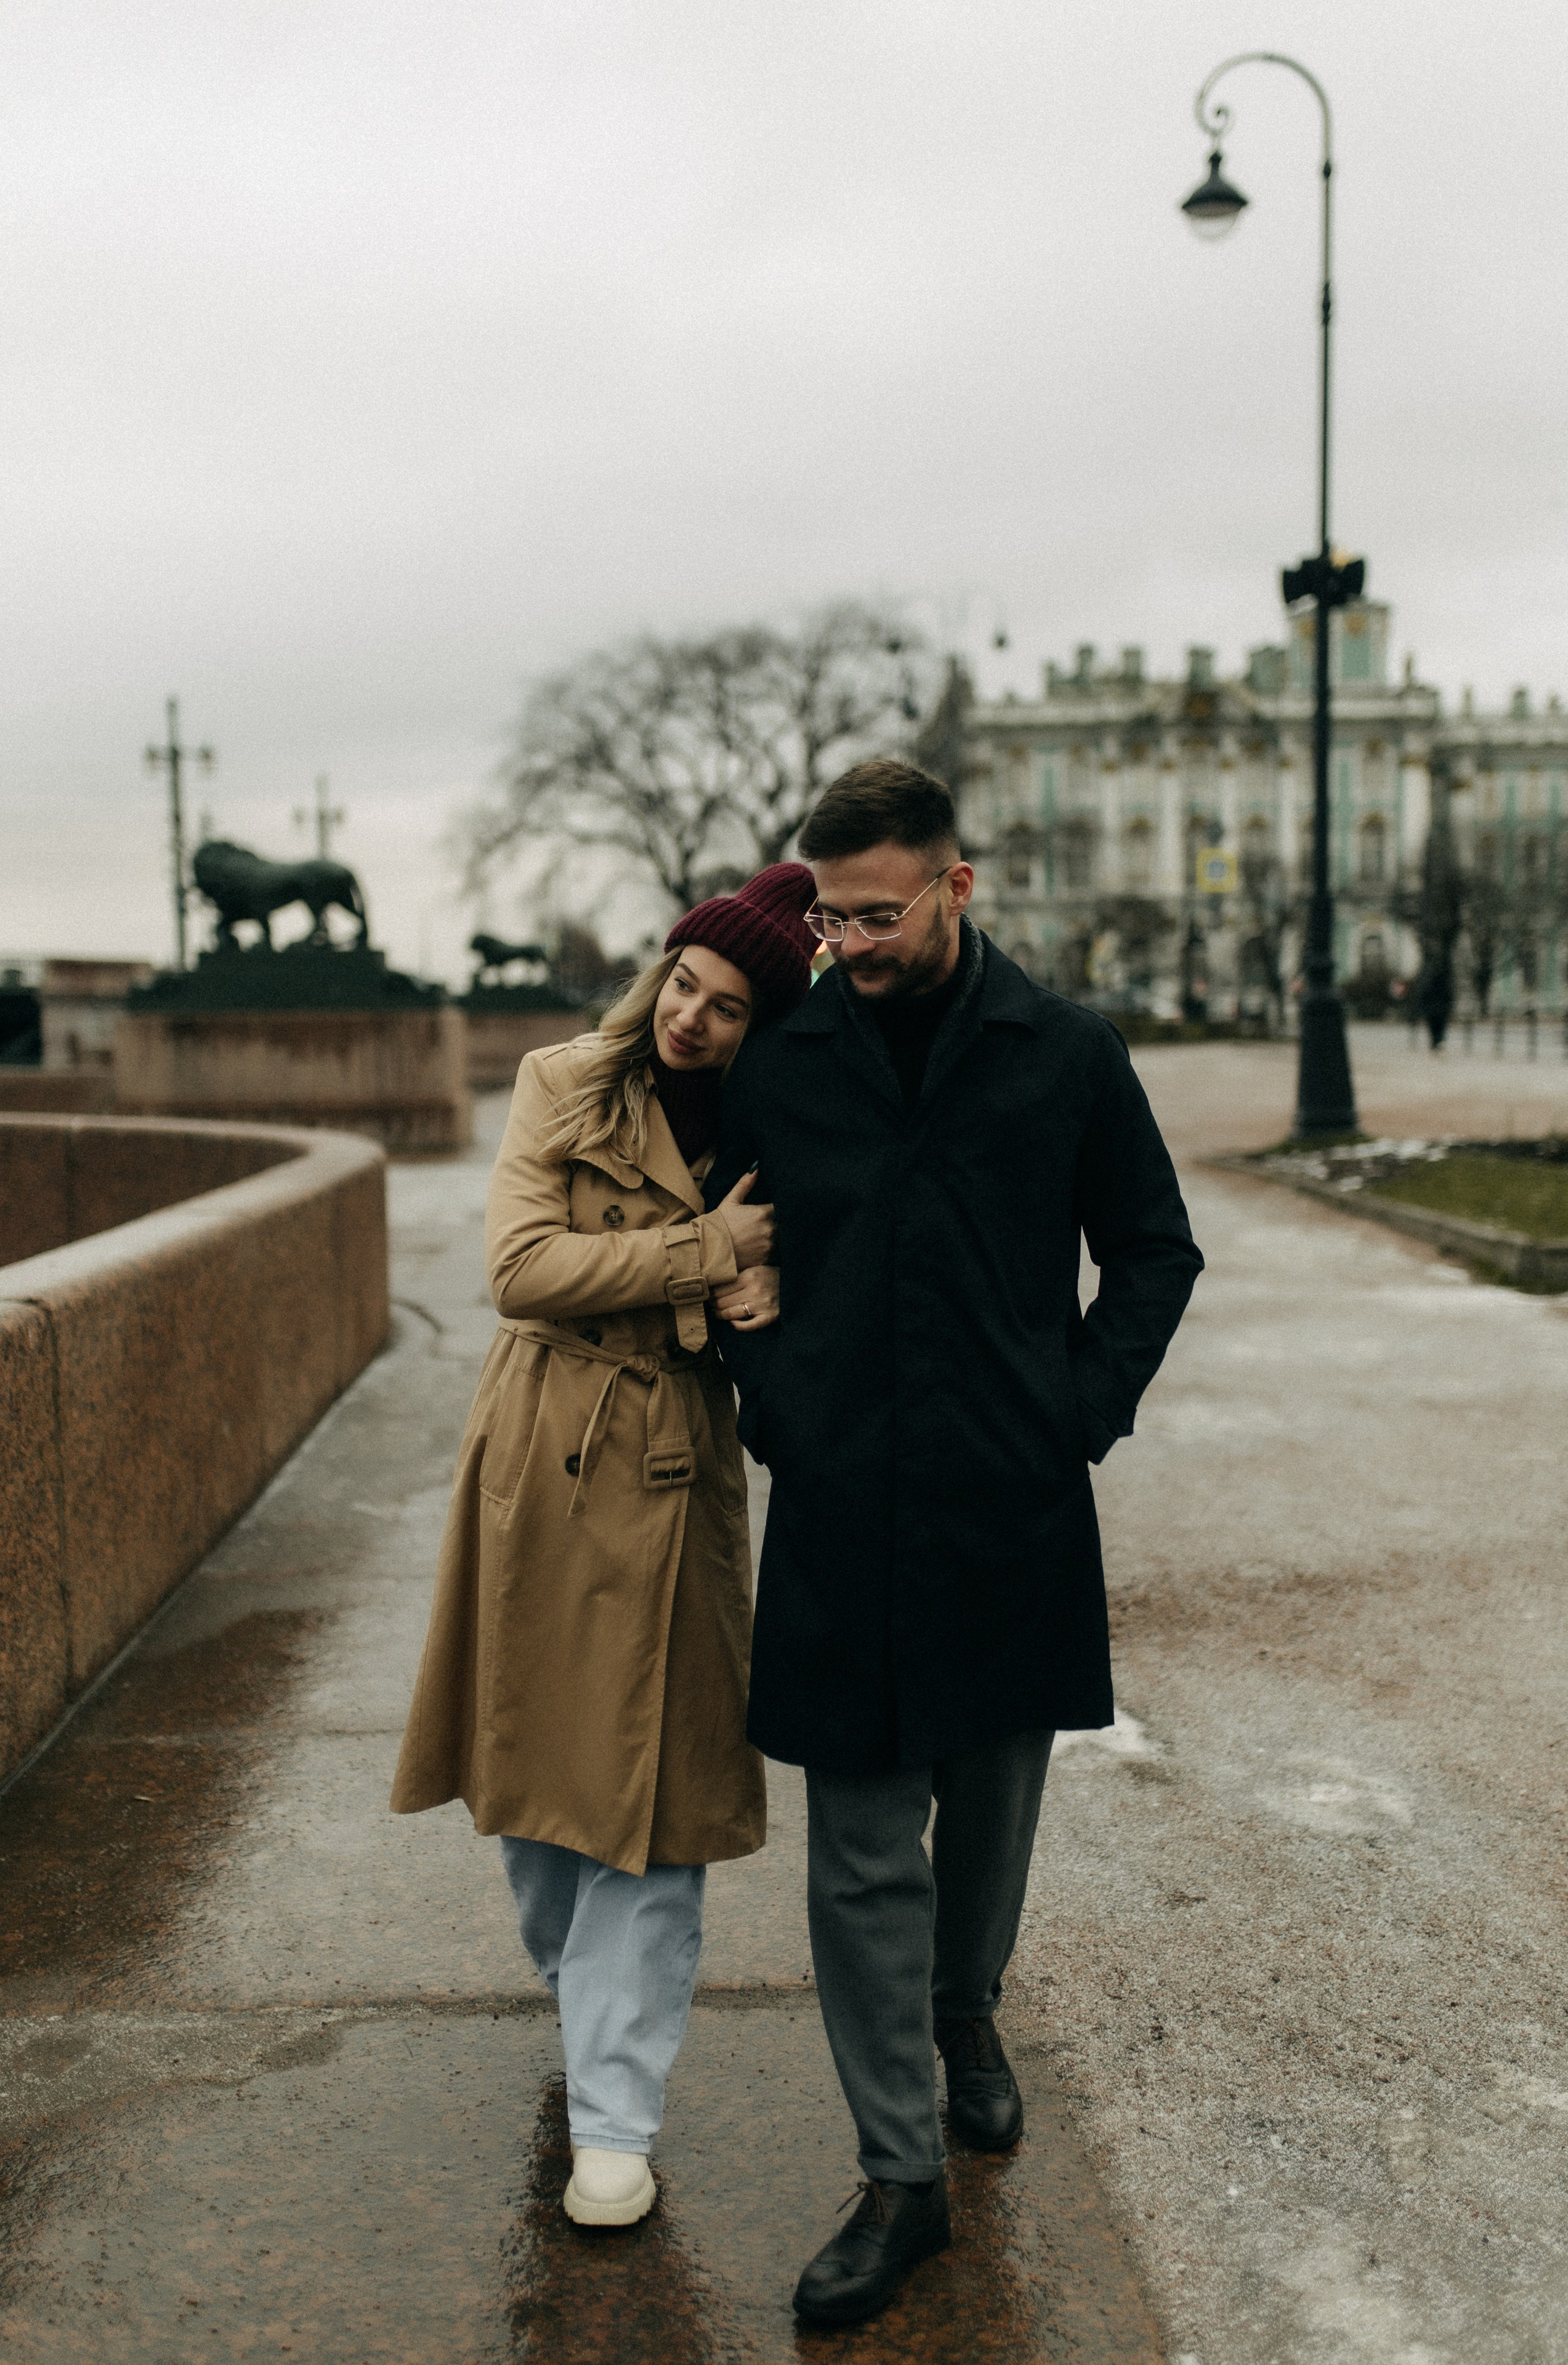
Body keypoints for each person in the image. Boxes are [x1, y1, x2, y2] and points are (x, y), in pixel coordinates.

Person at [706, 762, 1203, 2328]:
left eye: (874, 912)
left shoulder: (1062, 1054)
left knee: (985, 1818)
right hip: (842, 1504)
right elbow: (727, 1228)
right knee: (857, 1853)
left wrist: (1075, 1412)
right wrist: (772, 1396)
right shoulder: (780, 1061)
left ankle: (966, 2012)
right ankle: (899, 2176)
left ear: (954, 887)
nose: (845, 939)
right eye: (828, 914)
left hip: (1008, 1505)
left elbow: (1150, 1249)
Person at [390, 863, 818, 2228]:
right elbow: (519, 1271)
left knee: (653, 1810)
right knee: (532, 1791)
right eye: (685, 982)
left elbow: (796, 1281)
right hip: (543, 1451)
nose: (692, 1019)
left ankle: (615, 2116)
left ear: (765, 1026)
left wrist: (765, 1287)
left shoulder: (783, 1131)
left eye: (730, 1006)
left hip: (676, 1465)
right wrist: (702, 1256)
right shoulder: (561, 1080)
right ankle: (585, 1999)